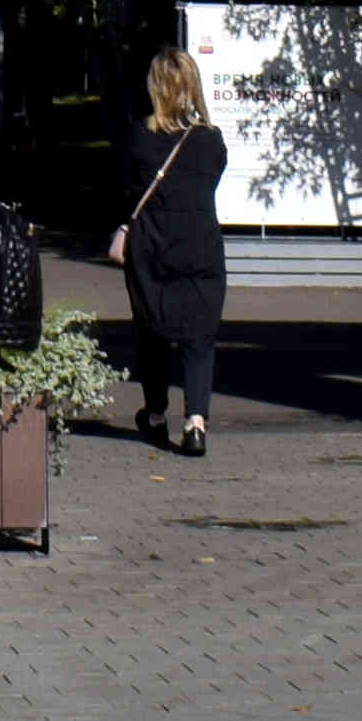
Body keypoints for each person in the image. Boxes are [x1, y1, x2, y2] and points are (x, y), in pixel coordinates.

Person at [114, 47, 229, 456]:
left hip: (153, 245)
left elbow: (127, 187)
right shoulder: (211, 141)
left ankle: (158, 413)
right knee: (200, 336)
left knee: (152, 329)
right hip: (200, 243)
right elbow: (212, 179)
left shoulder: (139, 136)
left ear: (155, 88)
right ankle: (196, 421)